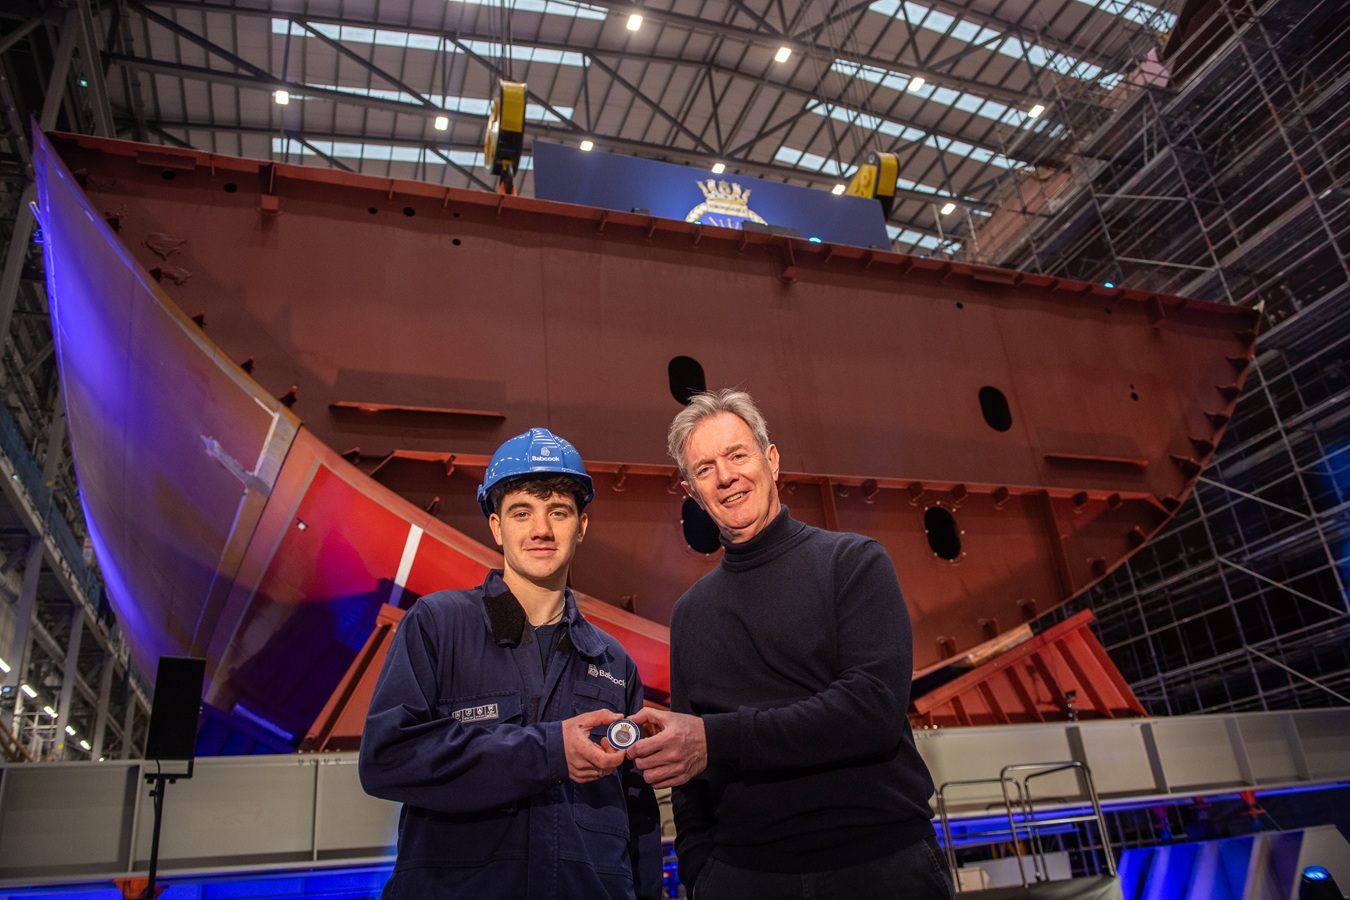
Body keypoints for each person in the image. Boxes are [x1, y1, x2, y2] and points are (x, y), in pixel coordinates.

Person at [627, 390, 952, 900]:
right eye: (705, 468)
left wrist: (717, 740)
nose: (727, 476)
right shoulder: (691, 613)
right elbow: (690, 773)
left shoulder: (854, 563)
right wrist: (701, 870)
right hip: (743, 879)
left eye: (737, 455)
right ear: (692, 492)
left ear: (771, 460)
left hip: (880, 867)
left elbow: (871, 711)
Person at [359, 427, 662, 899]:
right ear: (497, 526)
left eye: (558, 512)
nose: (541, 529)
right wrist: (549, 751)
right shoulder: (439, 625)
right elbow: (387, 758)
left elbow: (637, 813)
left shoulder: (613, 661)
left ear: (581, 526)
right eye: (522, 512)